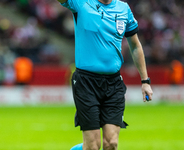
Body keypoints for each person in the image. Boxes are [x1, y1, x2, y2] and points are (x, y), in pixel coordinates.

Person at [57, 0, 153, 149]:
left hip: (113, 84)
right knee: (93, 146)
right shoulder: (81, 3)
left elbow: (135, 45)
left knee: (111, 144)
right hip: (86, 83)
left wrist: (145, 81)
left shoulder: (123, 8)